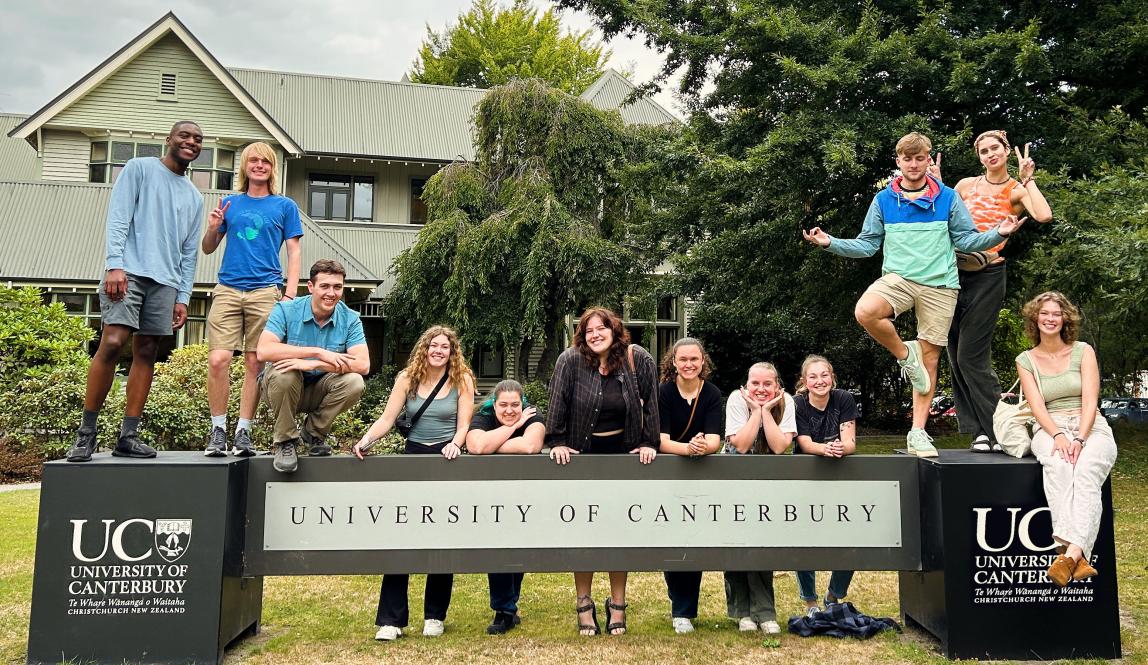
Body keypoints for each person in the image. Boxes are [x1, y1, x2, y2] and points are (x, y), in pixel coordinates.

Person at [803, 131, 1026, 457]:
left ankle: (918, 434)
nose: (914, 164)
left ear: (927, 159)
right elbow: (867, 245)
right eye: (907, 158)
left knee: (932, 359)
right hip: (900, 279)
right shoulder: (883, 200)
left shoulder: (948, 198)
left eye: (920, 158)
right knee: (866, 311)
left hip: (940, 285)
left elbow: (965, 241)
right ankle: (906, 355)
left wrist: (997, 233)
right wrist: (831, 242)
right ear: (899, 162)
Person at [67, 121, 205, 462]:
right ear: (168, 138)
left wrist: (183, 296)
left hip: (167, 282)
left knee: (146, 352)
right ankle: (86, 433)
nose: (191, 142)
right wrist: (115, 264)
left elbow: (189, 252)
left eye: (198, 140)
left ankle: (128, 436)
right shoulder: (139, 168)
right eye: (185, 136)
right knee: (112, 342)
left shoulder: (195, 196)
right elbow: (118, 217)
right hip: (128, 273)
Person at [353, 325, 476, 641]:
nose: (438, 351)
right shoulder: (407, 378)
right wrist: (366, 440)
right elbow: (386, 419)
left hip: (446, 460)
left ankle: (435, 615)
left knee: (441, 537)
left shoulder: (462, 379)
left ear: (452, 352)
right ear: (425, 348)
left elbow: (464, 424)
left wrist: (456, 444)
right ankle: (391, 620)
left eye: (444, 347)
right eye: (433, 345)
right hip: (412, 459)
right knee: (402, 538)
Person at [546, 306, 659, 636]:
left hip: (622, 455)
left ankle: (618, 605)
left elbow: (651, 401)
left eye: (601, 328)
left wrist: (650, 441)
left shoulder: (637, 358)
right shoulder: (570, 360)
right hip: (582, 456)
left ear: (614, 330)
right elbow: (557, 401)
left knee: (617, 531)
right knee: (584, 531)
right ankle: (584, 604)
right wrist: (556, 441)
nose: (595, 334)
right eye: (588, 330)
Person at [943, 131, 1053, 452]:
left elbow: (1043, 215)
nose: (990, 154)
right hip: (950, 275)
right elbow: (939, 213)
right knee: (954, 353)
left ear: (1006, 151)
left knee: (970, 356)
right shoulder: (965, 186)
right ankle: (978, 431)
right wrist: (935, 184)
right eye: (984, 151)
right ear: (979, 156)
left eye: (995, 149)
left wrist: (1028, 179)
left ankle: (1001, 428)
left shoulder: (1015, 190)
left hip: (988, 275)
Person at [201, 141, 303, 457]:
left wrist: (289, 294)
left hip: (265, 290)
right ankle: (218, 430)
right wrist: (214, 227)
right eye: (253, 161)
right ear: (245, 167)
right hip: (229, 289)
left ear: (272, 168)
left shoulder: (284, 206)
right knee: (218, 359)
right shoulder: (230, 203)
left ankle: (242, 432)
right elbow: (207, 247)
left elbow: (294, 251)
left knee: (254, 362)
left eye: (265, 161)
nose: (259, 165)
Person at [1014, 292, 1117, 587]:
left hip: (1090, 425)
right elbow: (1036, 406)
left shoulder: (1083, 351)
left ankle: (1069, 554)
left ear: (1065, 319)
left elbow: (1090, 400)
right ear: (1035, 318)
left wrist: (1080, 439)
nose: (1050, 318)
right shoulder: (1026, 360)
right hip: (1050, 427)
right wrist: (1059, 435)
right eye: (1044, 313)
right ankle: (1078, 557)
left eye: (1056, 314)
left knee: (1085, 473)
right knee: (1059, 468)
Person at [256, 259, 368, 473]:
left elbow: (362, 364)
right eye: (324, 286)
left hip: (320, 389)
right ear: (310, 287)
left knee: (354, 382)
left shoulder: (350, 318)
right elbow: (264, 351)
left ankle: (313, 432)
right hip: (282, 390)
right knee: (285, 374)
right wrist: (315, 352)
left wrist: (316, 364)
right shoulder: (286, 310)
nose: (331, 293)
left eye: (337, 287)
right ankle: (285, 442)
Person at [465, 379, 545, 635]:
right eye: (503, 405)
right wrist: (516, 428)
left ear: (523, 404)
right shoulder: (484, 416)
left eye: (515, 405)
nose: (509, 411)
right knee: (497, 546)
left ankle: (509, 606)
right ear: (494, 404)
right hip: (492, 495)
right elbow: (475, 445)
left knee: (518, 547)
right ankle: (504, 610)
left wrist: (493, 445)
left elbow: (531, 446)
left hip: (526, 495)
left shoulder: (533, 415)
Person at [722, 361, 796, 635]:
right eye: (755, 383)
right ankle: (743, 613)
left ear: (777, 385)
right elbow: (739, 446)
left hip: (768, 483)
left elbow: (778, 446)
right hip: (733, 480)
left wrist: (765, 411)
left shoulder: (787, 402)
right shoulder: (735, 400)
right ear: (746, 384)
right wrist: (755, 410)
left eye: (768, 384)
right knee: (735, 544)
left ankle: (765, 613)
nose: (761, 389)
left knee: (762, 545)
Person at [656, 337, 723, 634]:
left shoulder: (711, 394)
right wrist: (688, 449)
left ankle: (684, 610)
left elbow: (714, 440)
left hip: (699, 475)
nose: (689, 364)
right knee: (672, 539)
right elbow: (660, 439)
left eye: (694, 359)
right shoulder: (664, 393)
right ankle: (677, 602)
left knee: (693, 538)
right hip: (670, 474)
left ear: (702, 361)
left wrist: (701, 447)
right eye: (683, 359)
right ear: (674, 362)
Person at [792, 355, 859, 616]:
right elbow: (805, 444)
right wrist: (826, 448)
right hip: (806, 479)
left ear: (832, 377)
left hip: (839, 476)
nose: (819, 381)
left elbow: (850, 442)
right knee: (804, 540)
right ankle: (810, 602)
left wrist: (839, 448)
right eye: (813, 376)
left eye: (824, 375)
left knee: (849, 537)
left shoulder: (844, 399)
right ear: (804, 381)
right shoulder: (797, 404)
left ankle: (835, 594)